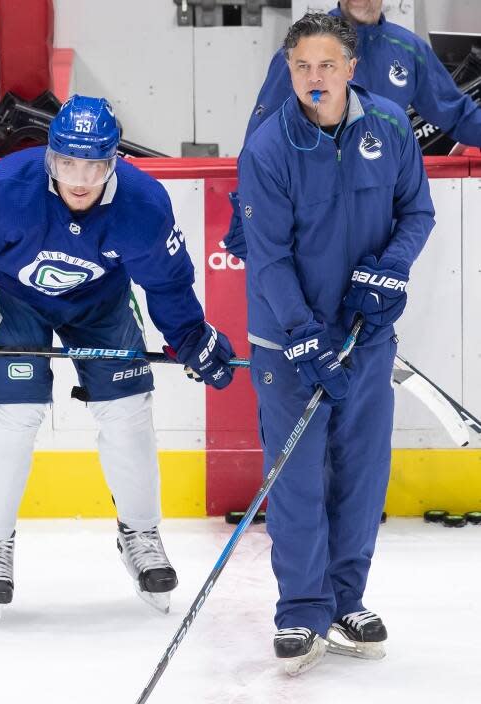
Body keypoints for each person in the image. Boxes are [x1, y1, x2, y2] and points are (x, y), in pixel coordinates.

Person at [0, 95, 235, 623]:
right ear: (49, 156)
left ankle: (140, 534)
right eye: (67, 162)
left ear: (114, 160)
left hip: (101, 300)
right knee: (12, 416)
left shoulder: (143, 206)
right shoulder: (8, 191)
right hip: (14, 295)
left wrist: (190, 332)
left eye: (93, 164)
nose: (79, 178)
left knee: (128, 411)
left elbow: (167, 281)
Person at [237, 13, 434, 675]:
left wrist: (390, 271)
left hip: (366, 336)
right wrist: (301, 337)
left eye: (326, 65)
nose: (313, 78)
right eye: (301, 67)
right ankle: (301, 608)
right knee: (298, 478)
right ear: (287, 71)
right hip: (289, 344)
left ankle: (347, 599)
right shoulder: (267, 148)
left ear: (352, 68)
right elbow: (267, 259)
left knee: (360, 473)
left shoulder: (390, 127)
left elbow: (416, 213)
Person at [225, 0, 480, 259]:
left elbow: (456, 113)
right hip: (312, 217)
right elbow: (260, 138)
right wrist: (246, 210)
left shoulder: (408, 49)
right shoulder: (306, 49)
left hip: (377, 216)